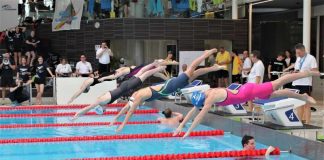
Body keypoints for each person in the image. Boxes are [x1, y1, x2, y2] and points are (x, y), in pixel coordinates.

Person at [173, 70, 321, 138]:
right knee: (276, 94)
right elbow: (194, 111)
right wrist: (181, 125)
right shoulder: (205, 95)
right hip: (247, 93)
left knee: (281, 81)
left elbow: (199, 117)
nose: (200, 106)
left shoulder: (210, 97)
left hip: (250, 91)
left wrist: (188, 131)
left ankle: (309, 73)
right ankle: (303, 96)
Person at [112, 49, 225, 132]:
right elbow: (127, 107)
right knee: (194, 73)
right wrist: (116, 118)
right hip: (170, 86)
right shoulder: (137, 94)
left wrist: (123, 124)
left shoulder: (138, 97)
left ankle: (207, 54)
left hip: (171, 86)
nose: (139, 105)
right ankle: (214, 68)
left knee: (191, 69)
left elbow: (130, 111)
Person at [71, 62, 167, 120]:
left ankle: (158, 68)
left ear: (101, 108)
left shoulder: (101, 101)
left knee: (144, 75)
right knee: (140, 73)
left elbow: (89, 107)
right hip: (123, 86)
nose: (105, 110)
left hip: (125, 87)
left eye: (103, 111)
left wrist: (77, 114)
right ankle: (154, 64)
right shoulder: (105, 100)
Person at [291, 43, 319, 124]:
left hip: (305, 84)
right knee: (298, 103)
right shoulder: (298, 58)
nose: (298, 54)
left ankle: (308, 122)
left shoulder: (311, 58)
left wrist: (306, 72)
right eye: (296, 53)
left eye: (299, 53)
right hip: (296, 83)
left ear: (304, 51)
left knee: (306, 104)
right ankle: (299, 121)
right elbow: (297, 69)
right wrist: (294, 72)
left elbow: (315, 71)